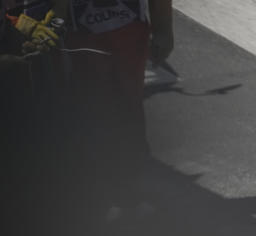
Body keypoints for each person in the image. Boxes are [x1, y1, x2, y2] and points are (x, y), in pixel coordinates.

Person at [54, 0, 174, 219]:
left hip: (126, 30)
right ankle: (99, 198)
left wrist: (164, 28)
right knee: (91, 112)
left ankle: (126, 194)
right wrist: (53, 23)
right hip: (84, 31)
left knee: (127, 112)